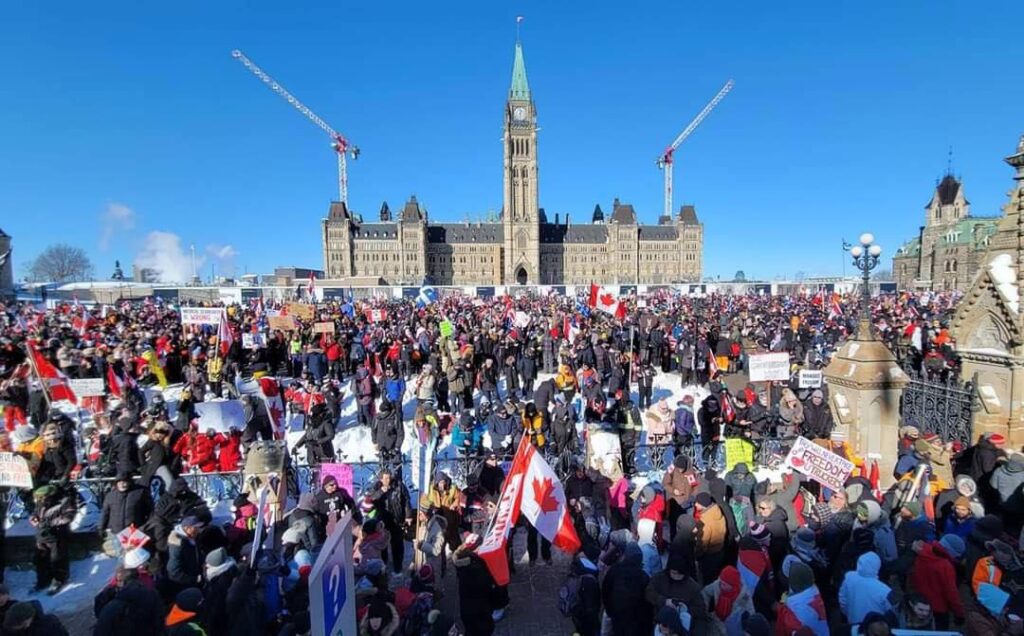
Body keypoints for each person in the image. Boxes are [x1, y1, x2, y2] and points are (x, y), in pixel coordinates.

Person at [646, 549, 711, 635]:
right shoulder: (660, 578)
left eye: (679, 574)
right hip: (660, 628)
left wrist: (686, 609)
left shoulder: (692, 587)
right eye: (673, 573)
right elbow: (648, 592)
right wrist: (664, 601)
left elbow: (701, 613)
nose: (676, 577)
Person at [909, 534, 965, 630]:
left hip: (918, 604)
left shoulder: (921, 553)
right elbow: (951, 593)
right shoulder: (945, 566)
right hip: (938, 610)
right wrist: (959, 613)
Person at [29, 483, 76, 594]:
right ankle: (43, 580)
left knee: (57, 559)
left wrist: (52, 523)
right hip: (42, 534)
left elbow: (69, 516)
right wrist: (33, 518)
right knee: (40, 560)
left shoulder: (64, 501)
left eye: (42, 497)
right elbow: (35, 512)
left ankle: (59, 580)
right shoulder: (40, 503)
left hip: (57, 535)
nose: (40, 500)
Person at [602, 543, 652, 636]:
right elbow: (648, 602)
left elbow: (605, 591)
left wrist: (610, 611)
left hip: (617, 616)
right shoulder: (643, 576)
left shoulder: (614, 570)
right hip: (636, 620)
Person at [838, 552, 895, 627]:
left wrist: (849, 614)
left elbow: (842, 600)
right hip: (875, 629)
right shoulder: (885, 590)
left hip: (853, 624)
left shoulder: (849, 578)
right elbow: (891, 613)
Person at [100, 471, 153, 539]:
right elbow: (105, 513)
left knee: (137, 550)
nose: (122, 485)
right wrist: (101, 528)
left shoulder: (140, 493)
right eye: (119, 482)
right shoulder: (110, 496)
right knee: (120, 549)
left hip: (136, 532)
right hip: (117, 533)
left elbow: (151, 511)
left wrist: (146, 527)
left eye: (124, 482)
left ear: (129, 482)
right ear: (116, 483)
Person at [0, 601, 69, 635]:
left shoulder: (50, 625)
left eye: (15, 626)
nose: (13, 628)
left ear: (26, 622)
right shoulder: (11, 627)